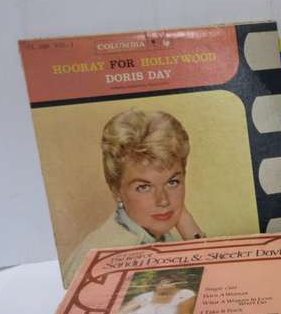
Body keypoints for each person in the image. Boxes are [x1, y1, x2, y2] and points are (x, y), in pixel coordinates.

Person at [63, 110, 204, 286]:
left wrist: (183, 219)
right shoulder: (119, 253)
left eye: (172, 182)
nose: (163, 200)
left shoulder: (147, 231)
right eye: (143, 187)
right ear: (116, 190)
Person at [117, 275, 196, 314]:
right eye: (158, 284)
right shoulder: (146, 296)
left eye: (166, 283)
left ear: (175, 285)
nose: (161, 286)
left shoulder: (184, 294)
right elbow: (123, 312)